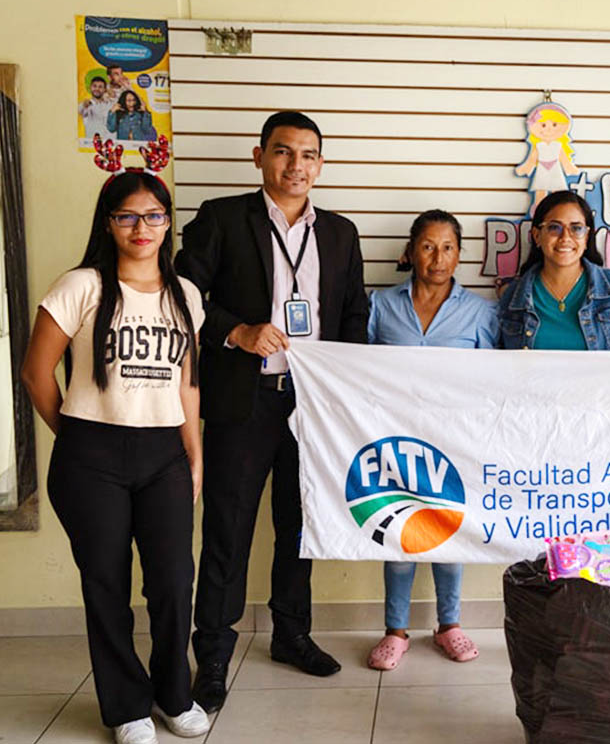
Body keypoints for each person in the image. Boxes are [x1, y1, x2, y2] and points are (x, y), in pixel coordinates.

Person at [174, 111, 370, 711]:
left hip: (312, 407)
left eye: (308, 155)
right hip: (245, 398)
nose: (296, 166)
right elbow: (181, 296)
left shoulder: (339, 232)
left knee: (301, 521)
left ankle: (291, 633)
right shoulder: (222, 218)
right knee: (227, 528)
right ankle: (211, 652)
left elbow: (352, 316)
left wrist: (347, 384)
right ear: (259, 156)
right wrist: (236, 332)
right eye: (284, 153)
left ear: (320, 164)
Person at [20, 170, 210, 744]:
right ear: (109, 222)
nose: (142, 227)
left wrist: (195, 457)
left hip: (164, 455)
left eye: (154, 215)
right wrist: (74, 435)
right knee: (106, 584)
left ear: (167, 222)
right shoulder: (82, 286)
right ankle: (126, 706)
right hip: (91, 454)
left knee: (175, 582)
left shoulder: (187, 296)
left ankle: (175, 695)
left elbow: (188, 386)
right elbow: (36, 373)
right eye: (127, 215)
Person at [364, 210, 497, 670]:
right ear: (410, 250)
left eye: (447, 248)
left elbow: (493, 383)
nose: (437, 258)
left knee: (448, 533)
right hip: (394, 444)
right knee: (399, 533)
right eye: (427, 246)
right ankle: (395, 630)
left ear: (460, 254)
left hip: (454, 443)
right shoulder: (380, 306)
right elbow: (356, 373)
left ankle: (449, 625)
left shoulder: (481, 313)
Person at [497, 189, 610, 360]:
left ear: (587, 237)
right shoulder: (514, 296)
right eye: (554, 228)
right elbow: (502, 367)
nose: (565, 237)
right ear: (537, 236)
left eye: (576, 228)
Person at [513, 104, 581, 217]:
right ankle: (538, 210)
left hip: (555, 170)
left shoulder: (558, 146)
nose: (549, 129)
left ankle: (559, 211)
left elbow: (564, 159)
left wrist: (569, 167)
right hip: (542, 170)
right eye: (543, 125)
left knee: (557, 192)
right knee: (540, 191)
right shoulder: (538, 146)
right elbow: (531, 160)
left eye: (554, 125)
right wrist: (526, 168)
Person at [80, 75, 116, 141]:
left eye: (100, 87)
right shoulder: (87, 105)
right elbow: (80, 111)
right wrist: (85, 105)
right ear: (90, 88)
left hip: (111, 144)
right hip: (93, 145)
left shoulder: (110, 104)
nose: (97, 89)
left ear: (105, 89)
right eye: (94, 86)